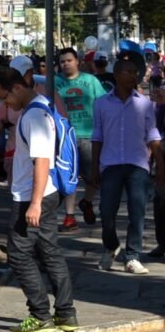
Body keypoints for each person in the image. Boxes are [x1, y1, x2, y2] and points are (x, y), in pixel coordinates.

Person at [0, 68, 78, 332]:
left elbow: (42, 161)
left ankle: (40, 316)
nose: (5, 105)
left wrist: (35, 203)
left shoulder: (33, 116)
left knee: (18, 254)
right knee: (49, 252)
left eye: (5, 98)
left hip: (33, 195)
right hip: (44, 193)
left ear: (17, 88)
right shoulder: (42, 107)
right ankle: (66, 313)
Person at [92, 56, 164, 275]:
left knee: (137, 212)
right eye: (129, 72)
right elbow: (97, 136)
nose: (134, 76)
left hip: (138, 164)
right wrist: (94, 167)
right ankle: (111, 246)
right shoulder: (101, 103)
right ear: (116, 75)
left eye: (135, 72)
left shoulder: (145, 104)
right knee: (106, 211)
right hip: (110, 163)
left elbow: (152, 134)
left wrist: (160, 164)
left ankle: (132, 256)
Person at [54, 47, 106, 232]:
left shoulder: (91, 81)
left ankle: (87, 201)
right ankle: (70, 217)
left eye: (69, 60)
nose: (66, 64)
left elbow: (103, 104)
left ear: (78, 61)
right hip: (64, 137)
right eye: (62, 61)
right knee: (69, 177)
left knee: (93, 177)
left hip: (88, 135)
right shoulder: (53, 82)